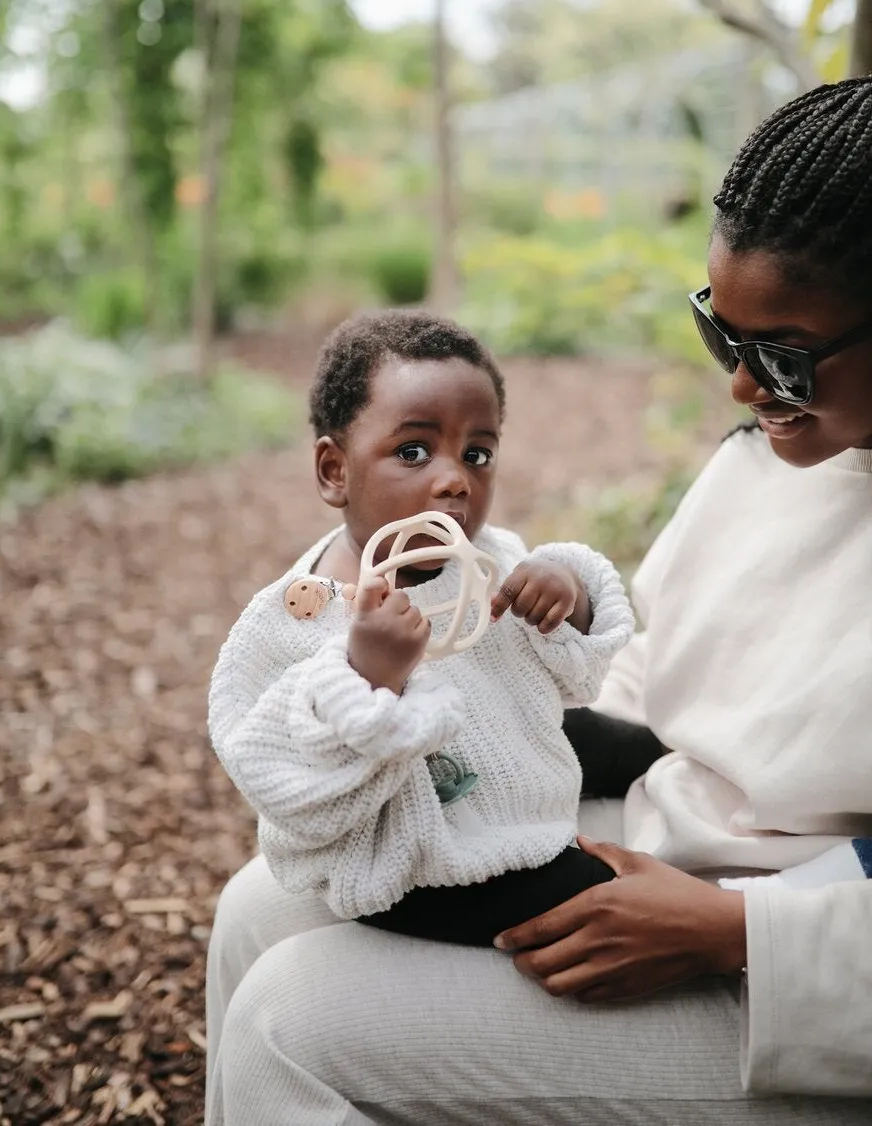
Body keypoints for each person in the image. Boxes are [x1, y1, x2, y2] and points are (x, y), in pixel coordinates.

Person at [205, 78, 872, 1125]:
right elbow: (665, 678)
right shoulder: (779, 460)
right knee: (263, 906)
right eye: (721, 336)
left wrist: (728, 932)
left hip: (795, 964)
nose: (742, 388)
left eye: (781, 353)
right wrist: (505, 688)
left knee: (290, 1025)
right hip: (678, 840)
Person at [208, 310, 635, 947]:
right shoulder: (301, 616)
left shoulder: (488, 556)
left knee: (610, 740)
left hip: (510, 754)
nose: (453, 479)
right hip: (425, 871)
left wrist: (565, 596)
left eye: (477, 454)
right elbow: (275, 773)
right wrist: (367, 677)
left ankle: (666, 754)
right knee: (596, 893)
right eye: (413, 451)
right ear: (335, 471)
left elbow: (576, 679)